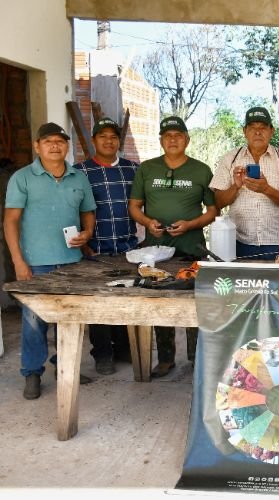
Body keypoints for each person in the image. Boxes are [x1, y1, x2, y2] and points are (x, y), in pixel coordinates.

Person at [4, 122, 97, 399]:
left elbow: (88, 212)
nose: (55, 146)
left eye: (60, 141)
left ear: (67, 146)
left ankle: (65, 367)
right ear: (37, 146)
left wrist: (87, 233)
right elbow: (10, 221)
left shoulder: (78, 177)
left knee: (69, 319)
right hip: (36, 262)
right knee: (34, 321)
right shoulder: (22, 178)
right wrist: (18, 262)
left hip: (71, 261)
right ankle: (32, 372)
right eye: (48, 141)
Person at [129, 116, 218, 378]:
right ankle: (166, 359)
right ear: (161, 140)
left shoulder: (201, 170)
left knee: (194, 302)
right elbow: (134, 206)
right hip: (156, 251)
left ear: (187, 140)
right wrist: (148, 222)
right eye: (167, 135)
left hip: (191, 248)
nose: (172, 139)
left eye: (178, 135)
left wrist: (190, 225)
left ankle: (195, 358)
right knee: (159, 300)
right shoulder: (147, 169)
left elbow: (213, 211)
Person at [74, 117, 139, 376]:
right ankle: (102, 353)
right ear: (94, 140)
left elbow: (143, 204)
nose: (108, 141)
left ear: (118, 141)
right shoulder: (79, 171)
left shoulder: (133, 170)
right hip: (95, 249)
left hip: (127, 247)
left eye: (113, 137)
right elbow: (74, 209)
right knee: (98, 303)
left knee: (124, 301)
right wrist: (82, 244)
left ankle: (123, 348)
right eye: (103, 136)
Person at [210, 106, 279, 260]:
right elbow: (218, 202)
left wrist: (266, 189)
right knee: (237, 277)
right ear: (244, 131)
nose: (257, 132)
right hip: (236, 240)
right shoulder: (230, 158)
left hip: (275, 242)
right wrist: (236, 186)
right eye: (252, 127)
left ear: (272, 131)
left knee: (274, 277)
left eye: (262, 127)